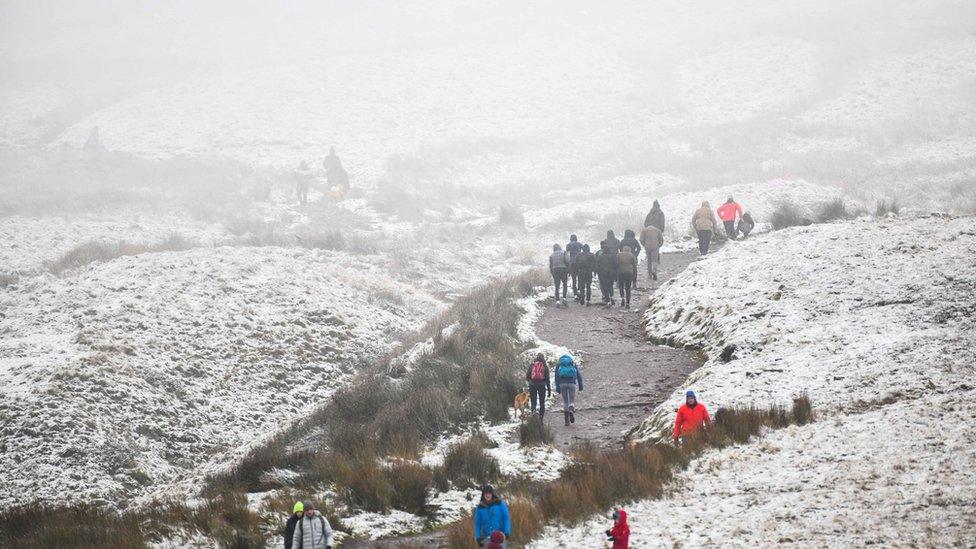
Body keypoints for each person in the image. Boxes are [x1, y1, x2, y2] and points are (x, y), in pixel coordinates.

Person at [554, 355, 583, 426]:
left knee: (565, 401)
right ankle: (571, 410)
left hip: (562, 384)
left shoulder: (559, 364)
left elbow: (556, 376)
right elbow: (578, 375)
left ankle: (567, 421)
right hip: (572, 383)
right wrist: (580, 385)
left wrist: (557, 387)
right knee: (571, 400)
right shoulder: (572, 363)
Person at [525, 353, 551, 421]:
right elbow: (547, 379)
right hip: (542, 385)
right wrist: (549, 390)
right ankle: (541, 419)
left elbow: (527, 376)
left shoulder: (532, 365)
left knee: (533, 402)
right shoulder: (545, 366)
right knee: (542, 403)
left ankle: (533, 417)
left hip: (532, 385)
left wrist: (530, 382)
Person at [595, 241, 618, 306]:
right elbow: (616, 265)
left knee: (605, 286)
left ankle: (607, 300)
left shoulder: (601, 257)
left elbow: (597, 265)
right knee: (610, 285)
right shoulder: (613, 256)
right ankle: (611, 297)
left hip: (603, 273)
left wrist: (597, 273)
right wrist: (616, 274)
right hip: (611, 273)